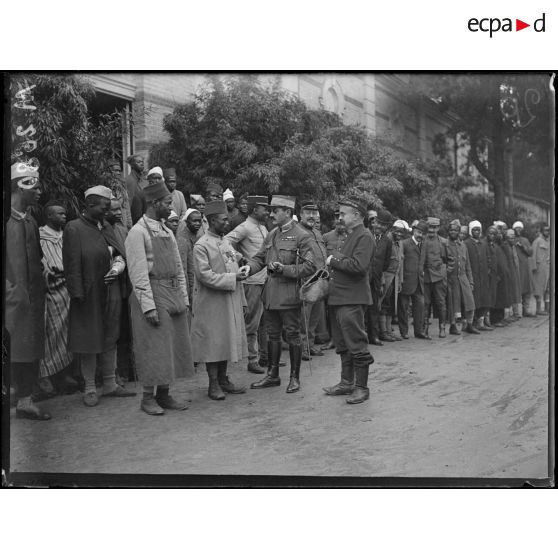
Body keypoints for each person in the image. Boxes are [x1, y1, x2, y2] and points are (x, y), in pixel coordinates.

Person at [125, 181, 194, 415]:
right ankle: (147, 398)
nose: (170, 206)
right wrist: (148, 307)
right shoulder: (137, 232)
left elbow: (178, 267)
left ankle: (164, 394)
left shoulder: (166, 231)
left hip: (171, 292)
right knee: (153, 347)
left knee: (170, 347)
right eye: (167, 203)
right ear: (154, 204)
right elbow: (137, 273)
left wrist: (183, 298)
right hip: (152, 294)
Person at [63, 186, 135, 407]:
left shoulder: (106, 227)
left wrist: (118, 268)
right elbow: (72, 265)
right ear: (91, 205)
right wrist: (77, 294)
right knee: (89, 340)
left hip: (112, 291)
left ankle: (110, 384)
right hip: (88, 294)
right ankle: (90, 388)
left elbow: (119, 253)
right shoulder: (74, 228)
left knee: (110, 336)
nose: (107, 211)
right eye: (104, 207)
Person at [245, 195, 317, 393]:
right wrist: (248, 268)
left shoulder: (302, 236)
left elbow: (310, 266)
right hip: (270, 295)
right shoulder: (272, 234)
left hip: (289, 295)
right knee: (272, 335)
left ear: (287, 212)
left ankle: (294, 378)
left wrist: (284, 269)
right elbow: (260, 257)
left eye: (276, 210)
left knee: (292, 335)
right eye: (271, 210)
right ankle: (272, 374)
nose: (271, 214)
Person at [190, 200, 248, 400]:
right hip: (211, 303)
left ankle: (223, 379)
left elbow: (232, 258)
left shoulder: (224, 241)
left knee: (224, 340)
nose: (227, 223)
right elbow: (205, 275)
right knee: (213, 343)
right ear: (213, 220)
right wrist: (233, 278)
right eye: (224, 220)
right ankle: (213, 384)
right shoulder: (201, 245)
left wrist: (242, 263)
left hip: (228, 300)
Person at [6, 163, 50, 420]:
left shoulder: (31, 220)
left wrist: (44, 272)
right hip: (12, 300)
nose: (40, 191)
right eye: (35, 185)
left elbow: (36, 257)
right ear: (21, 185)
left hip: (33, 299)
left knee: (29, 349)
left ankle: (25, 401)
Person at [322, 198, 375, 404]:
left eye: (343, 214)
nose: (340, 217)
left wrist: (332, 259)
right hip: (339, 298)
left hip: (352, 299)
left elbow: (358, 266)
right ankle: (347, 383)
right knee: (343, 343)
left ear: (357, 215)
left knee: (357, 343)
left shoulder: (365, 236)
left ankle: (362, 387)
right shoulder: (352, 235)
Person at [225, 196, 271, 374]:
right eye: (263, 209)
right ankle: (252, 360)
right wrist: (240, 258)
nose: (267, 212)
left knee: (264, 322)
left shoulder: (262, 226)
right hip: (252, 281)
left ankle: (264, 357)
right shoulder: (244, 227)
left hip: (265, 280)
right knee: (252, 323)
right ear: (254, 210)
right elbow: (226, 242)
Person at [38, 201, 75, 393]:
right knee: (52, 332)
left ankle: (63, 374)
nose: (64, 216)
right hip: (52, 289)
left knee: (68, 331)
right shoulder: (40, 235)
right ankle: (44, 375)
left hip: (68, 288)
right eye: (59, 214)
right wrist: (47, 272)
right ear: (49, 216)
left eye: (64, 214)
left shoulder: (67, 234)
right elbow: (40, 261)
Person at [106, 197, 133, 385]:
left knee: (125, 331)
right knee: (112, 332)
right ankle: (112, 373)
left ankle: (126, 370)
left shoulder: (124, 230)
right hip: (112, 286)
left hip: (126, 286)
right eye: (113, 210)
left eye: (119, 209)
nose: (117, 213)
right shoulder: (102, 230)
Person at [298, 201, 328, 360]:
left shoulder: (317, 233)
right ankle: (302, 348)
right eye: (308, 212)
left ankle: (310, 344)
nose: (311, 216)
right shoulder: (297, 232)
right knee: (304, 317)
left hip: (320, 281)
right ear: (301, 214)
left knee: (315, 316)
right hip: (306, 281)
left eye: (314, 213)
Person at [446, 220, 478, 335]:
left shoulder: (463, 245)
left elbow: (468, 265)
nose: (453, 232)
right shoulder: (445, 244)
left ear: (459, 232)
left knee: (470, 301)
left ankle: (469, 324)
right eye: (451, 230)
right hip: (451, 278)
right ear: (448, 232)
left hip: (463, 277)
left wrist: (471, 281)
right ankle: (453, 325)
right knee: (453, 303)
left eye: (456, 230)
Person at [398, 220, 429, 340]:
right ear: (414, 231)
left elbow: (424, 262)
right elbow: (400, 263)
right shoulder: (404, 243)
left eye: (423, 233)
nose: (420, 235)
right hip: (406, 280)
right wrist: (401, 279)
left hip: (419, 282)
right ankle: (404, 332)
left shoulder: (424, 244)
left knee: (420, 307)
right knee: (403, 308)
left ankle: (419, 331)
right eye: (419, 232)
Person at [322, 211, 348, 349]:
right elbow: (320, 257)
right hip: (330, 279)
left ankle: (345, 339)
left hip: (345, 279)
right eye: (337, 219)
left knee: (345, 310)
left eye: (342, 219)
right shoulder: (326, 237)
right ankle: (333, 338)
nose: (340, 221)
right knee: (331, 310)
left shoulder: (351, 237)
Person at [367, 209, 393, 345]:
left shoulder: (387, 241)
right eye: (378, 223)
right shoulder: (364, 235)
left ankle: (373, 336)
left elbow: (386, 263)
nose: (379, 226)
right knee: (361, 307)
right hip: (362, 277)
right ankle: (361, 336)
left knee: (374, 308)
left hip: (376, 279)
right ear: (374, 222)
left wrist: (378, 274)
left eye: (384, 225)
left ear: (387, 227)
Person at [422, 217, 450, 339]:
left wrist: (445, 271)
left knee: (441, 302)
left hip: (439, 276)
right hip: (426, 276)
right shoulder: (422, 240)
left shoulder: (443, 242)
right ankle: (425, 329)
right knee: (425, 303)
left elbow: (450, 260)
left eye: (434, 227)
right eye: (430, 227)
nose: (431, 230)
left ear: (438, 228)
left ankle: (442, 328)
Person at [379, 220, 404, 342]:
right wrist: (382, 278)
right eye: (397, 231)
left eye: (401, 232)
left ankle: (389, 331)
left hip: (395, 277)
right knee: (382, 304)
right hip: (386, 276)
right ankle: (383, 331)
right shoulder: (386, 240)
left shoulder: (398, 243)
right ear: (392, 229)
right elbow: (381, 261)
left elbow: (400, 262)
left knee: (390, 306)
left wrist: (399, 281)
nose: (399, 234)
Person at [464, 220, 491, 331]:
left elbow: (487, 258)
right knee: (473, 300)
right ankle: (471, 322)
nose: (476, 231)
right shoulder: (466, 244)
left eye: (478, 230)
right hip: (472, 275)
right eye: (474, 229)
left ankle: (481, 322)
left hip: (483, 277)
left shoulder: (483, 244)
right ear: (470, 231)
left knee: (484, 299)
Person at [512, 221, 535, 317]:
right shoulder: (511, 240)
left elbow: (530, 252)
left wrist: (523, 247)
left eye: (520, 228)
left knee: (527, 289)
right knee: (516, 289)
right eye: (516, 228)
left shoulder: (525, 240)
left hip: (525, 269)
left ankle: (526, 310)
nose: (518, 230)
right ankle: (516, 312)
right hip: (515, 268)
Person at [106, 158, 132, 229]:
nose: (118, 173)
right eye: (116, 170)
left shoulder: (122, 186)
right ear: (110, 171)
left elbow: (126, 207)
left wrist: (129, 225)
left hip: (123, 224)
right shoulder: (106, 187)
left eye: (119, 171)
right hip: (112, 224)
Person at [531, 223, 550, 315]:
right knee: (538, 289)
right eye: (546, 230)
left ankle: (547, 308)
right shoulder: (537, 241)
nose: (548, 232)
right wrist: (534, 267)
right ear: (542, 231)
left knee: (548, 288)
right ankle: (538, 309)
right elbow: (533, 255)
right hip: (539, 269)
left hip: (548, 268)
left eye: (548, 230)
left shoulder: (549, 241)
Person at [125, 154, 148, 224]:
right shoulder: (129, 180)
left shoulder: (144, 180)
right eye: (138, 162)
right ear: (132, 165)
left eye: (142, 162)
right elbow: (129, 202)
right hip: (135, 219)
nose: (141, 164)